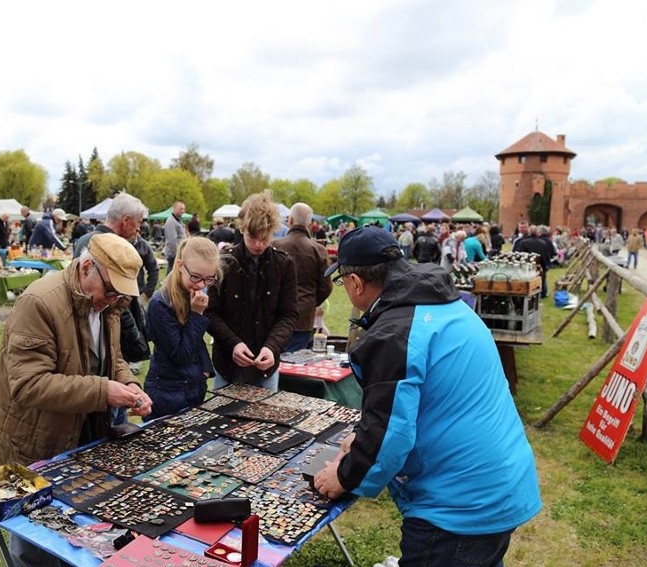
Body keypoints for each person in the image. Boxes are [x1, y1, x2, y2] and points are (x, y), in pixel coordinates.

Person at [313, 226, 541, 567]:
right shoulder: (444, 303)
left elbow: (390, 434)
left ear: (356, 282)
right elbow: (419, 403)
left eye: (342, 281)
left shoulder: (394, 333)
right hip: (495, 482)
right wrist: (360, 439)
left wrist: (343, 476)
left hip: (458, 507)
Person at [0, 233, 153, 567]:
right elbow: (28, 384)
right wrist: (104, 391)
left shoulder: (109, 304)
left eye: (119, 294)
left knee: (76, 534)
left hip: (84, 431)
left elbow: (113, 357)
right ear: (87, 266)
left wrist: (130, 384)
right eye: (109, 290)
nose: (111, 299)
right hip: (34, 441)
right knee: (35, 543)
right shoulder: (39, 302)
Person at [206, 191, 298, 391]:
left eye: (264, 238)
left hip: (265, 366)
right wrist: (233, 344)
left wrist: (271, 347)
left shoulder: (284, 264)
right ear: (242, 229)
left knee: (266, 420)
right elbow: (210, 312)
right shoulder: (224, 262)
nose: (258, 244)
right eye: (252, 237)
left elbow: (288, 314)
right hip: (227, 364)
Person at [72, 193, 158, 374]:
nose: (139, 229)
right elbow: (117, 303)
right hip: (103, 333)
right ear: (126, 220)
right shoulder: (109, 245)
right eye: (139, 222)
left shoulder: (85, 239)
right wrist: (136, 341)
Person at [144, 237, 221, 419]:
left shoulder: (193, 293)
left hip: (192, 387)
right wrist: (196, 314)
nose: (201, 285)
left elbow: (197, 341)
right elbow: (181, 354)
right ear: (180, 266)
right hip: (167, 393)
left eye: (208, 279)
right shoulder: (160, 303)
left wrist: (205, 368)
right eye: (195, 277)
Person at [273, 202, 333, 352]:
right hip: (303, 315)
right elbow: (326, 286)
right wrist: (310, 300)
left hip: (275, 313)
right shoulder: (319, 250)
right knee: (297, 366)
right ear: (310, 223)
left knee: (271, 363)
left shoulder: (274, 246)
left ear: (290, 220)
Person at [163, 201, 187, 275]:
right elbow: (172, 241)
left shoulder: (179, 220)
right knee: (172, 275)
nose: (182, 211)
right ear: (174, 209)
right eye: (180, 209)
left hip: (179, 252)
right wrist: (178, 254)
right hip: (174, 254)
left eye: (183, 209)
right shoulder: (171, 222)